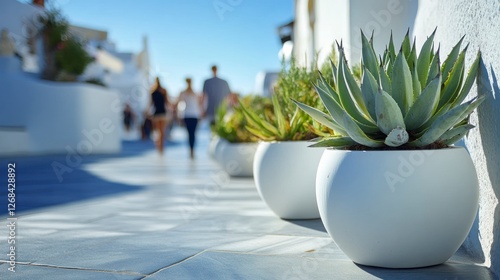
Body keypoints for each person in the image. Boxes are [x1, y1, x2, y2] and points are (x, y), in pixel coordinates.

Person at [176, 77, 202, 159]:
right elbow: (179, 104)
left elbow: (198, 104)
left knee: (191, 133)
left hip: (191, 115)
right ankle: (191, 150)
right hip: (190, 115)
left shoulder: (195, 93)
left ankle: (192, 150)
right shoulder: (186, 93)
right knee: (192, 133)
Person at [148, 77, 169, 154]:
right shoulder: (164, 91)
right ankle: (161, 146)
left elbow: (151, 103)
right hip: (162, 112)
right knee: (162, 131)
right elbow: (167, 102)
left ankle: (158, 145)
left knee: (157, 131)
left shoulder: (153, 91)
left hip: (156, 113)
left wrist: (148, 111)